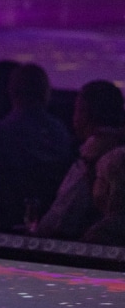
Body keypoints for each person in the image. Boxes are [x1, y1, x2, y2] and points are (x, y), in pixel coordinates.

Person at [0, 63, 75, 230]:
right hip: (50, 217)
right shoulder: (60, 132)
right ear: (46, 91)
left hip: (4, 218)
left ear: (11, 91)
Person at [36, 81, 125, 239]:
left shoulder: (89, 161)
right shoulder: (117, 150)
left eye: (76, 109)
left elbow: (60, 222)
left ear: (84, 112)